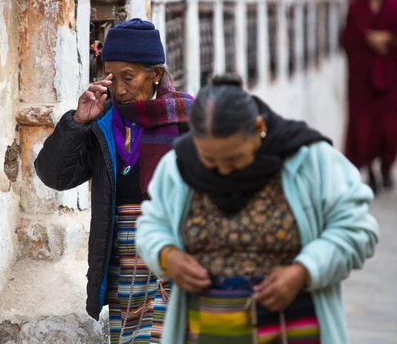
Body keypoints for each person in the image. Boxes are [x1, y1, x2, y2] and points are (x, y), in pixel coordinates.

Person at [136, 75, 379, 344]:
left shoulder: (310, 159)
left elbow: (357, 229)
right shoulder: (178, 167)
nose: (224, 170)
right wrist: (167, 255)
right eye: (211, 162)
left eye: (233, 158)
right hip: (206, 330)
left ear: (259, 127)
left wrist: (304, 271)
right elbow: (151, 225)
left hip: (294, 327)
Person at [34, 18, 193, 343]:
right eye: (112, 77)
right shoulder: (103, 124)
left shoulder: (187, 121)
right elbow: (54, 176)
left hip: (175, 251)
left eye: (129, 78)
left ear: (156, 75)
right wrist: (78, 122)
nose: (119, 89)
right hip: (123, 259)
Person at [343, 0, 397, 192]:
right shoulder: (356, 7)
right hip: (362, 81)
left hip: (390, 79)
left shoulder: (394, 6)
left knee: (390, 129)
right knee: (364, 130)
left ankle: (386, 166)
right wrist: (366, 40)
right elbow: (345, 40)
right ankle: (371, 172)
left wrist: (389, 40)